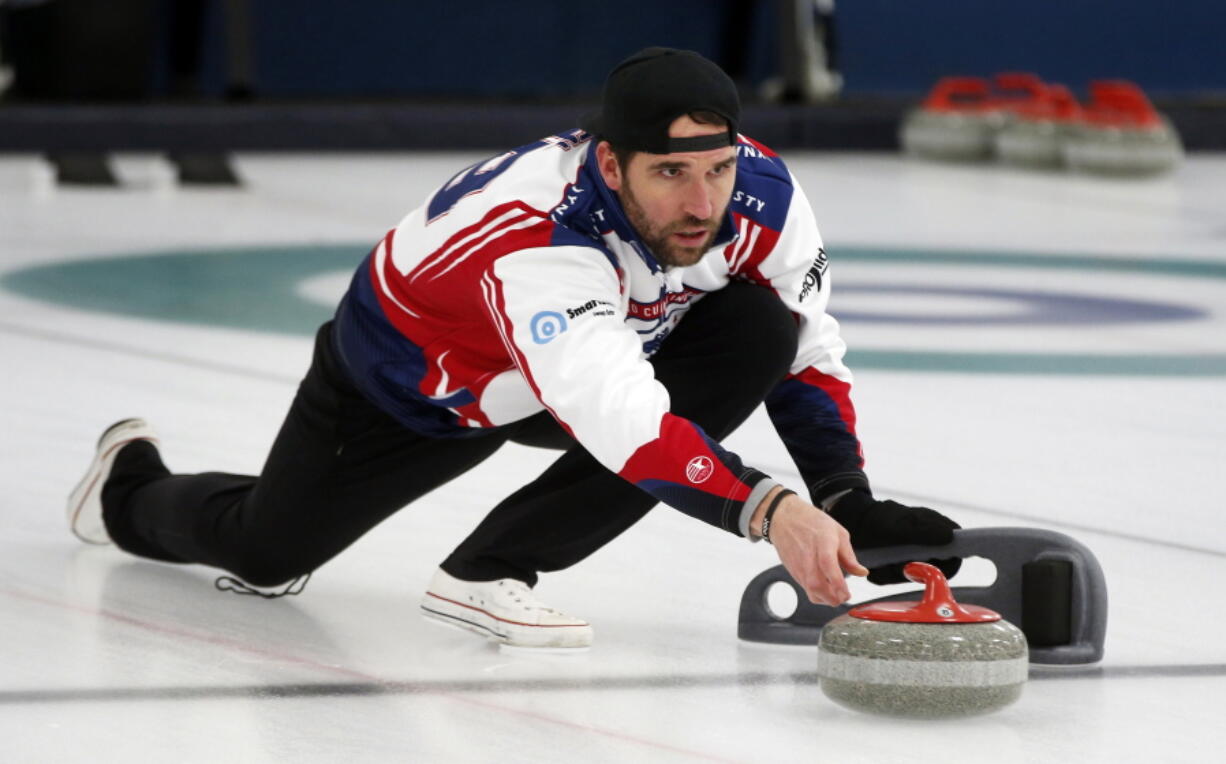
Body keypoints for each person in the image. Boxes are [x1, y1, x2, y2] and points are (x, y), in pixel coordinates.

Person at [67, 47, 960, 650]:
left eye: (717, 168)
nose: (702, 203)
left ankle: (487, 571)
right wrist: (772, 512)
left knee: (762, 326)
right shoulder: (538, 242)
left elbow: (807, 347)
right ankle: (125, 485)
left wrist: (847, 496)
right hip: (413, 387)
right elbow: (626, 425)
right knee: (268, 553)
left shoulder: (762, 194)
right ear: (610, 165)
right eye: (671, 173)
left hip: (575, 371)